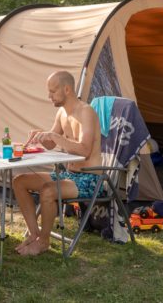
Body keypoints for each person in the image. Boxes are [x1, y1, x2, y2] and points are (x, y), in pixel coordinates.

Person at [12, 71, 102, 256]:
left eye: (53, 91)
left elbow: (85, 150)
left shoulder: (86, 112)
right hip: (68, 175)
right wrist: (41, 135)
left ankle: (44, 242)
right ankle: (35, 233)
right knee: (19, 181)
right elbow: (52, 143)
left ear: (67, 89)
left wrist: (55, 136)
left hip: (90, 178)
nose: (49, 96)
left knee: (48, 191)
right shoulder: (62, 112)